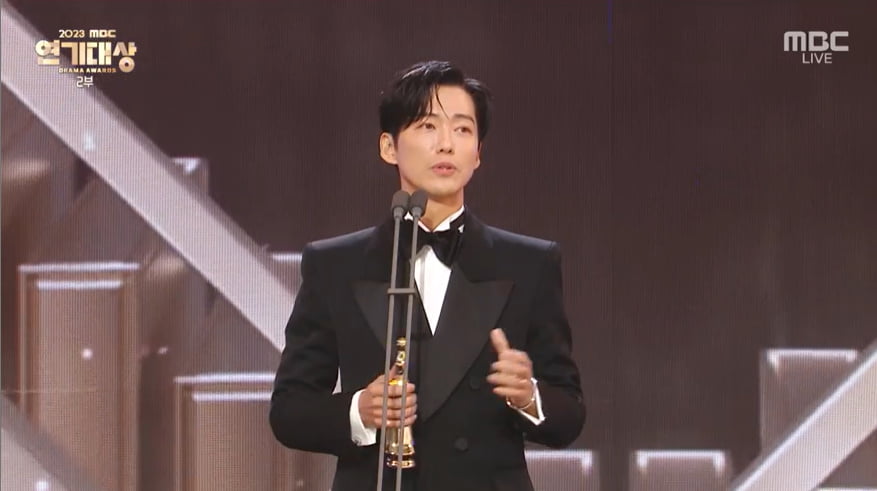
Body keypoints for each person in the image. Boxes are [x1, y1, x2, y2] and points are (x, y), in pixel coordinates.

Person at [270, 60, 585, 491]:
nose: (446, 144)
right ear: (389, 147)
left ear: (478, 153)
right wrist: (360, 410)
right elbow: (289, 411)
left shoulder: (529, 263)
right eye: (427, 126)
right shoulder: (336, 265)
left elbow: (570, 414)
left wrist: (528, 396)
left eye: (463, 129)